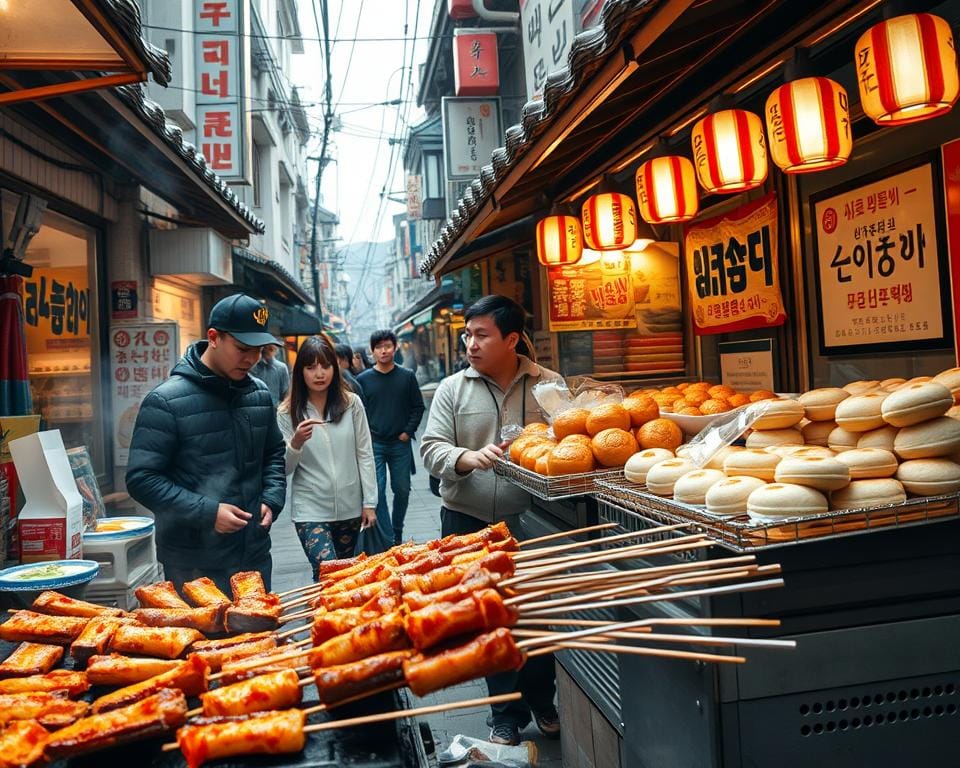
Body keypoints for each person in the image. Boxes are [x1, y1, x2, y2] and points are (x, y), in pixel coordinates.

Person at [420, 294, 561, 746]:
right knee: (487, 622)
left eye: (481, 335)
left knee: (536, 616)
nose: (471, 344)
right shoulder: (452, 389)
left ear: (512, 339)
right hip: (468, 521)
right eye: (468, 335)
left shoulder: (549, 386)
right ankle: (504, 714)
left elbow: (569, 443)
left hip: (533, 521)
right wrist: (465, 457)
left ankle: (542, 698)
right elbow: (430, 449)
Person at [125, 293, 286, 595]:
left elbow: (273, 452)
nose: (251, 359)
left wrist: (273, 497)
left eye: (259, 350)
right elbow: (141, 479)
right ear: (213, 337)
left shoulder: (260, 394)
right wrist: (208, 513)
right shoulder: (165, 401)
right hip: (193, 563)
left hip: (254, 554)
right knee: (204, 642)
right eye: (242, 349)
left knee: (260, 637)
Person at [278, 335, 377, 579]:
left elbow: (364, 453)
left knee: (343, 574)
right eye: (311, 367)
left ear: (335, 367)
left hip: (350, 507)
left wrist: (370, 503)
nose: (319, 373)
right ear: (300, 372)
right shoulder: (287, 412)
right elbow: (284, 468)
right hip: (310, 509)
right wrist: (296, 443)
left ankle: (332, 615)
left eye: (325, 366)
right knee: (326, 571)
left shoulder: (351, 404)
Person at [356, 330, 425, 546]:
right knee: (377, 490)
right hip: (374, 443)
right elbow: (359, 412)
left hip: (399, 443)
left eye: (387, 346)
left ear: (395, 348)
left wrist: (407, 431)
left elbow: (418, 407)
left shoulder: (407, 376)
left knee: (402, 488)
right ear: (372, 351)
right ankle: (387, 537)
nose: (383, 350)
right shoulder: (363, 380)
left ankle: (397, 530)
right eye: (378, 347)